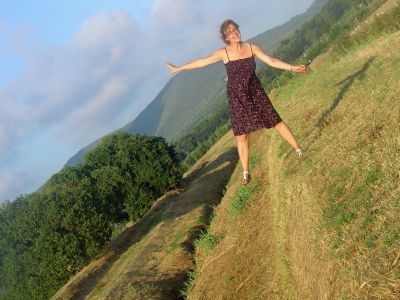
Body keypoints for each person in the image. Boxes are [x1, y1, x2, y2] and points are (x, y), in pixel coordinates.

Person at [165, 19, 307, 185]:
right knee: (242, 136)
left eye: (235, 29)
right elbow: (201, 62)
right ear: (226, 37)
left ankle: (299, 149)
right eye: (230, 32)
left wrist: (292, 67)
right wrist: (178, 68)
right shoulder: (223, 53)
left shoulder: (252, 47)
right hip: (237, 98)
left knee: (276, 121)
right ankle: (246, 172)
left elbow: (271, 61)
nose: (234, 33)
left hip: (255, 92)